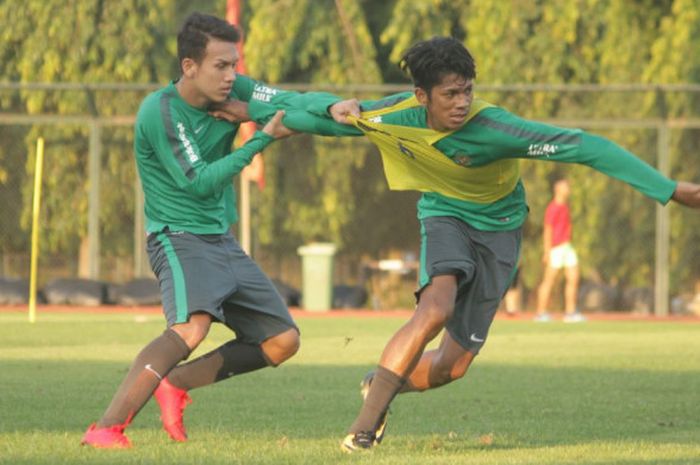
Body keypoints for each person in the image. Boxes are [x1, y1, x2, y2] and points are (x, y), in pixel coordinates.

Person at [214, 36, 700, 452]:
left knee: (452, 367)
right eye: (450, 94)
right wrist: (245, 106)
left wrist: (668, 188)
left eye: (467, 91)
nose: (462, 102)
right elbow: (317, 116)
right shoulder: (393, 115)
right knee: (433, 309)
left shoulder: (495, 129)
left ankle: (380, 386)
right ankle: (363, 429)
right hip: (443, 214)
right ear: (421, 95)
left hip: (501, 229)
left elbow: (586, 147)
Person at [81, 12, 350, 449]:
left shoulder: (237, 89)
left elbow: (289, 101)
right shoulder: (160, 111)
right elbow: (200, 181)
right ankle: (105, 429)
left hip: (220, 238)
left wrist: (334, 108)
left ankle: (176, 383)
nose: (232, 76)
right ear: (190, 67)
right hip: (178, 236)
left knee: (282, 341)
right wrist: (261, 137)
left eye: (234, 65)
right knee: (191, 328)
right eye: (220, 66)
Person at [534, 178, 585, 322]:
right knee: (549, 280)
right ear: (558, 190)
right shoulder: (553, 208)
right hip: (555, 248)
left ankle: (570, 313)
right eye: (566, 187)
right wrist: (547, 251)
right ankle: (540, 313)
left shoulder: (565, 206)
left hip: (567, 246)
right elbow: (548, 229)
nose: (568, 190)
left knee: (573, 278)